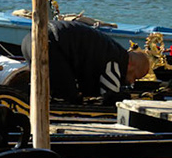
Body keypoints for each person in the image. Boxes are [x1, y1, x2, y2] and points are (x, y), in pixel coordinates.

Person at [22, 19, 152, 105]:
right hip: (48, 45)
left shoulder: (112, 49)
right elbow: (110, 96)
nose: (132, 82)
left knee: (50, 89)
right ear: (131, 65)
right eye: (135, 77)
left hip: (30, 39)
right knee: (70, 99)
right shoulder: (116, 62)